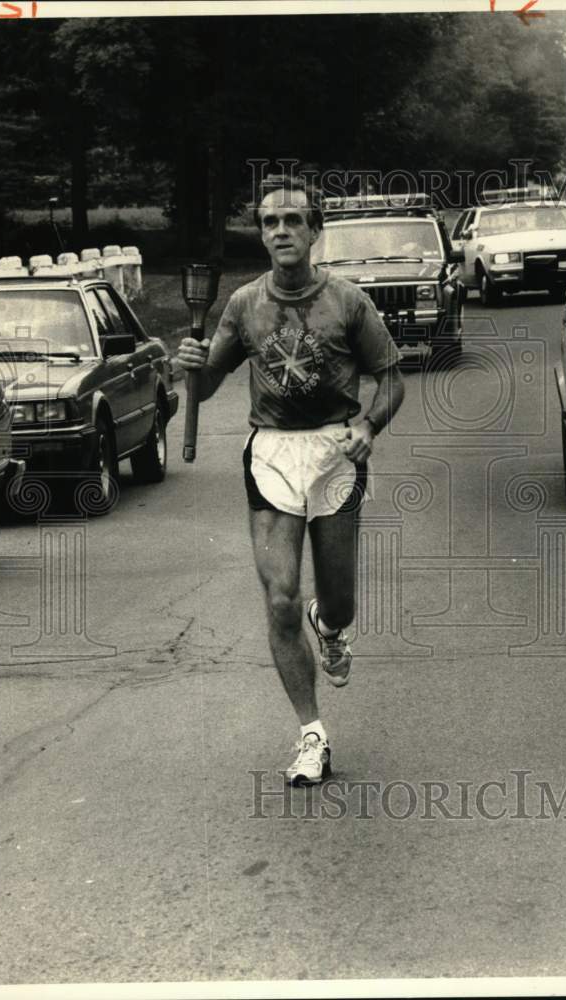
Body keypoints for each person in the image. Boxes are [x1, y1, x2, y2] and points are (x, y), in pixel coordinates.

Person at [177, 177, 405, 785]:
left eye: (293, 221)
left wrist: (369, 427)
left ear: (313, 230)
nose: (281, 231)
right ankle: (312, 734)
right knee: (278, 599)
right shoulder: (244, 304)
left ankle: (329, 627)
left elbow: (391, 378)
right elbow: (204, 387)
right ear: (261, 233)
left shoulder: (350, 301)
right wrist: (189, 369)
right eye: (270, 222)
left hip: (335, 452)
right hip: (272, 454)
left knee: (338, 600)